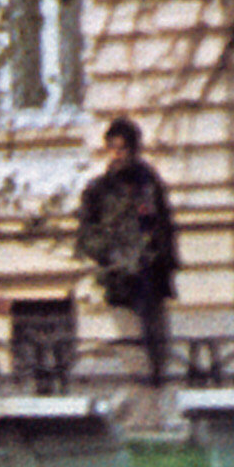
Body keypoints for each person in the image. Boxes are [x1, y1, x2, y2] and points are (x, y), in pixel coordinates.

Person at [75, 114, 179, 406]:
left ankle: (144, 416)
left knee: (159, 359)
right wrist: (113, 256)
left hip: (153, 282)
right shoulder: (98, 190)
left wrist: (164, 260)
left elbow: (165, 227)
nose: (118, 155)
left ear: (135, 150)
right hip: (121, 285)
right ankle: (144, 421)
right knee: (137, 360)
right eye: (113, 148)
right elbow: (85, 237)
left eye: (123, 148)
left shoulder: (151, 185)